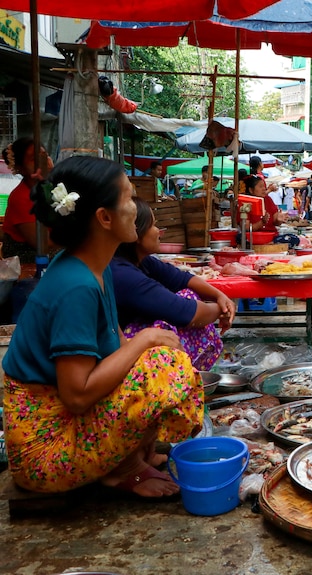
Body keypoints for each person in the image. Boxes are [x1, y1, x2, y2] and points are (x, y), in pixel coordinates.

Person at [1, 156, 203, 497]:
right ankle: (120, 470)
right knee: (162, 364)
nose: (137, 207)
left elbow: (116, 345)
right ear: (104, 217)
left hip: (65, 425)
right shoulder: (75, 284)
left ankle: (132, 455)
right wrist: (147, 339)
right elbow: (77, 396)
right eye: (127, 197)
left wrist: (146, 342)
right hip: (45, 452)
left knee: (162, 355)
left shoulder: (97, 266)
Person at [111, 198, 236, 371]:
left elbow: (182, 278)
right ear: (135, 233)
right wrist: (221, 310)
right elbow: (186, 313)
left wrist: (219, 296)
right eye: (154, 225)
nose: (159, 232)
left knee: (189, 294)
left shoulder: (142, 261)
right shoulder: (122, 274)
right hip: (120, 356)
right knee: (186, 301)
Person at [2, 137, 55, 266]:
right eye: (33, 159)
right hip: (26, 258)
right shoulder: (20, 197)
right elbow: (42, 244)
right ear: (21, 168)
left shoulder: (51, 187)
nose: (42, 161)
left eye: (44, 155)